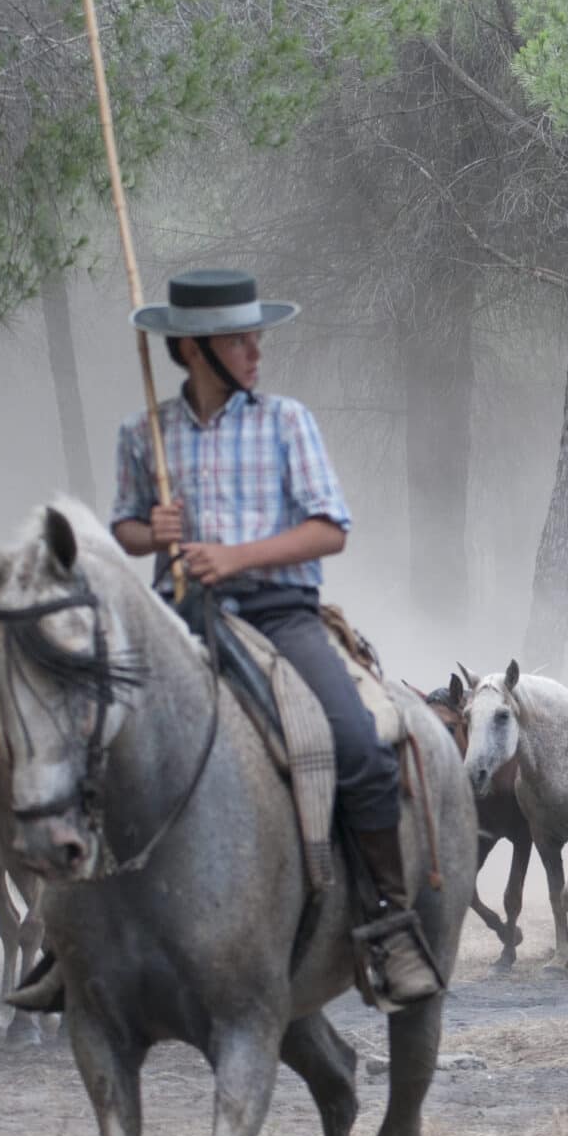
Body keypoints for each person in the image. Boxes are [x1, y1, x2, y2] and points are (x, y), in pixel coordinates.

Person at [112, 268, 442, 1008]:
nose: (257, 347)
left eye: (255, 332)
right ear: (195, 349)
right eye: (239, 336)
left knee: (357, 744)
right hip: (178, 617)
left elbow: (331, 530)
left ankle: (389, 922)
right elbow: (124, 525)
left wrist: (234, 556)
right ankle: (75, 932)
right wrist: (150, 531)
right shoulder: (146, 435)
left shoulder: (286, 422)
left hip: (278, 614)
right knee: (95, 736)